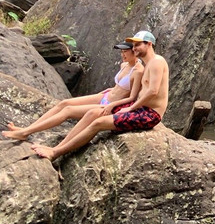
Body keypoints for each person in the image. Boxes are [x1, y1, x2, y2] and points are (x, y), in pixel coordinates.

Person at [30, 30, 168, 161]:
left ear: (149, 44)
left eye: (138, 44)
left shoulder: (157, 62)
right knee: (93, 113)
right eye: (133, 45)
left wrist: (131, 108)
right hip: (139, 107)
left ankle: (55, 153)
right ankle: (56, 147)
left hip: (150, 114)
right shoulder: (146, 63)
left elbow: (153, 91)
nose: (135, 48)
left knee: (98, 123)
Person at [4, 42, 143, 140]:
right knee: (64, 103)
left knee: (68, 111)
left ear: (134, 52)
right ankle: (27, 129)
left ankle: (26, 132)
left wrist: (111, 105)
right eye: (122, 51)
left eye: (126, 52)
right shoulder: (123, 65)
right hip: (106, 96)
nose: (123, 55)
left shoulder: (138, 71)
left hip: (111, 105)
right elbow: (120, 85)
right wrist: (111, 89)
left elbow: (133, 97)